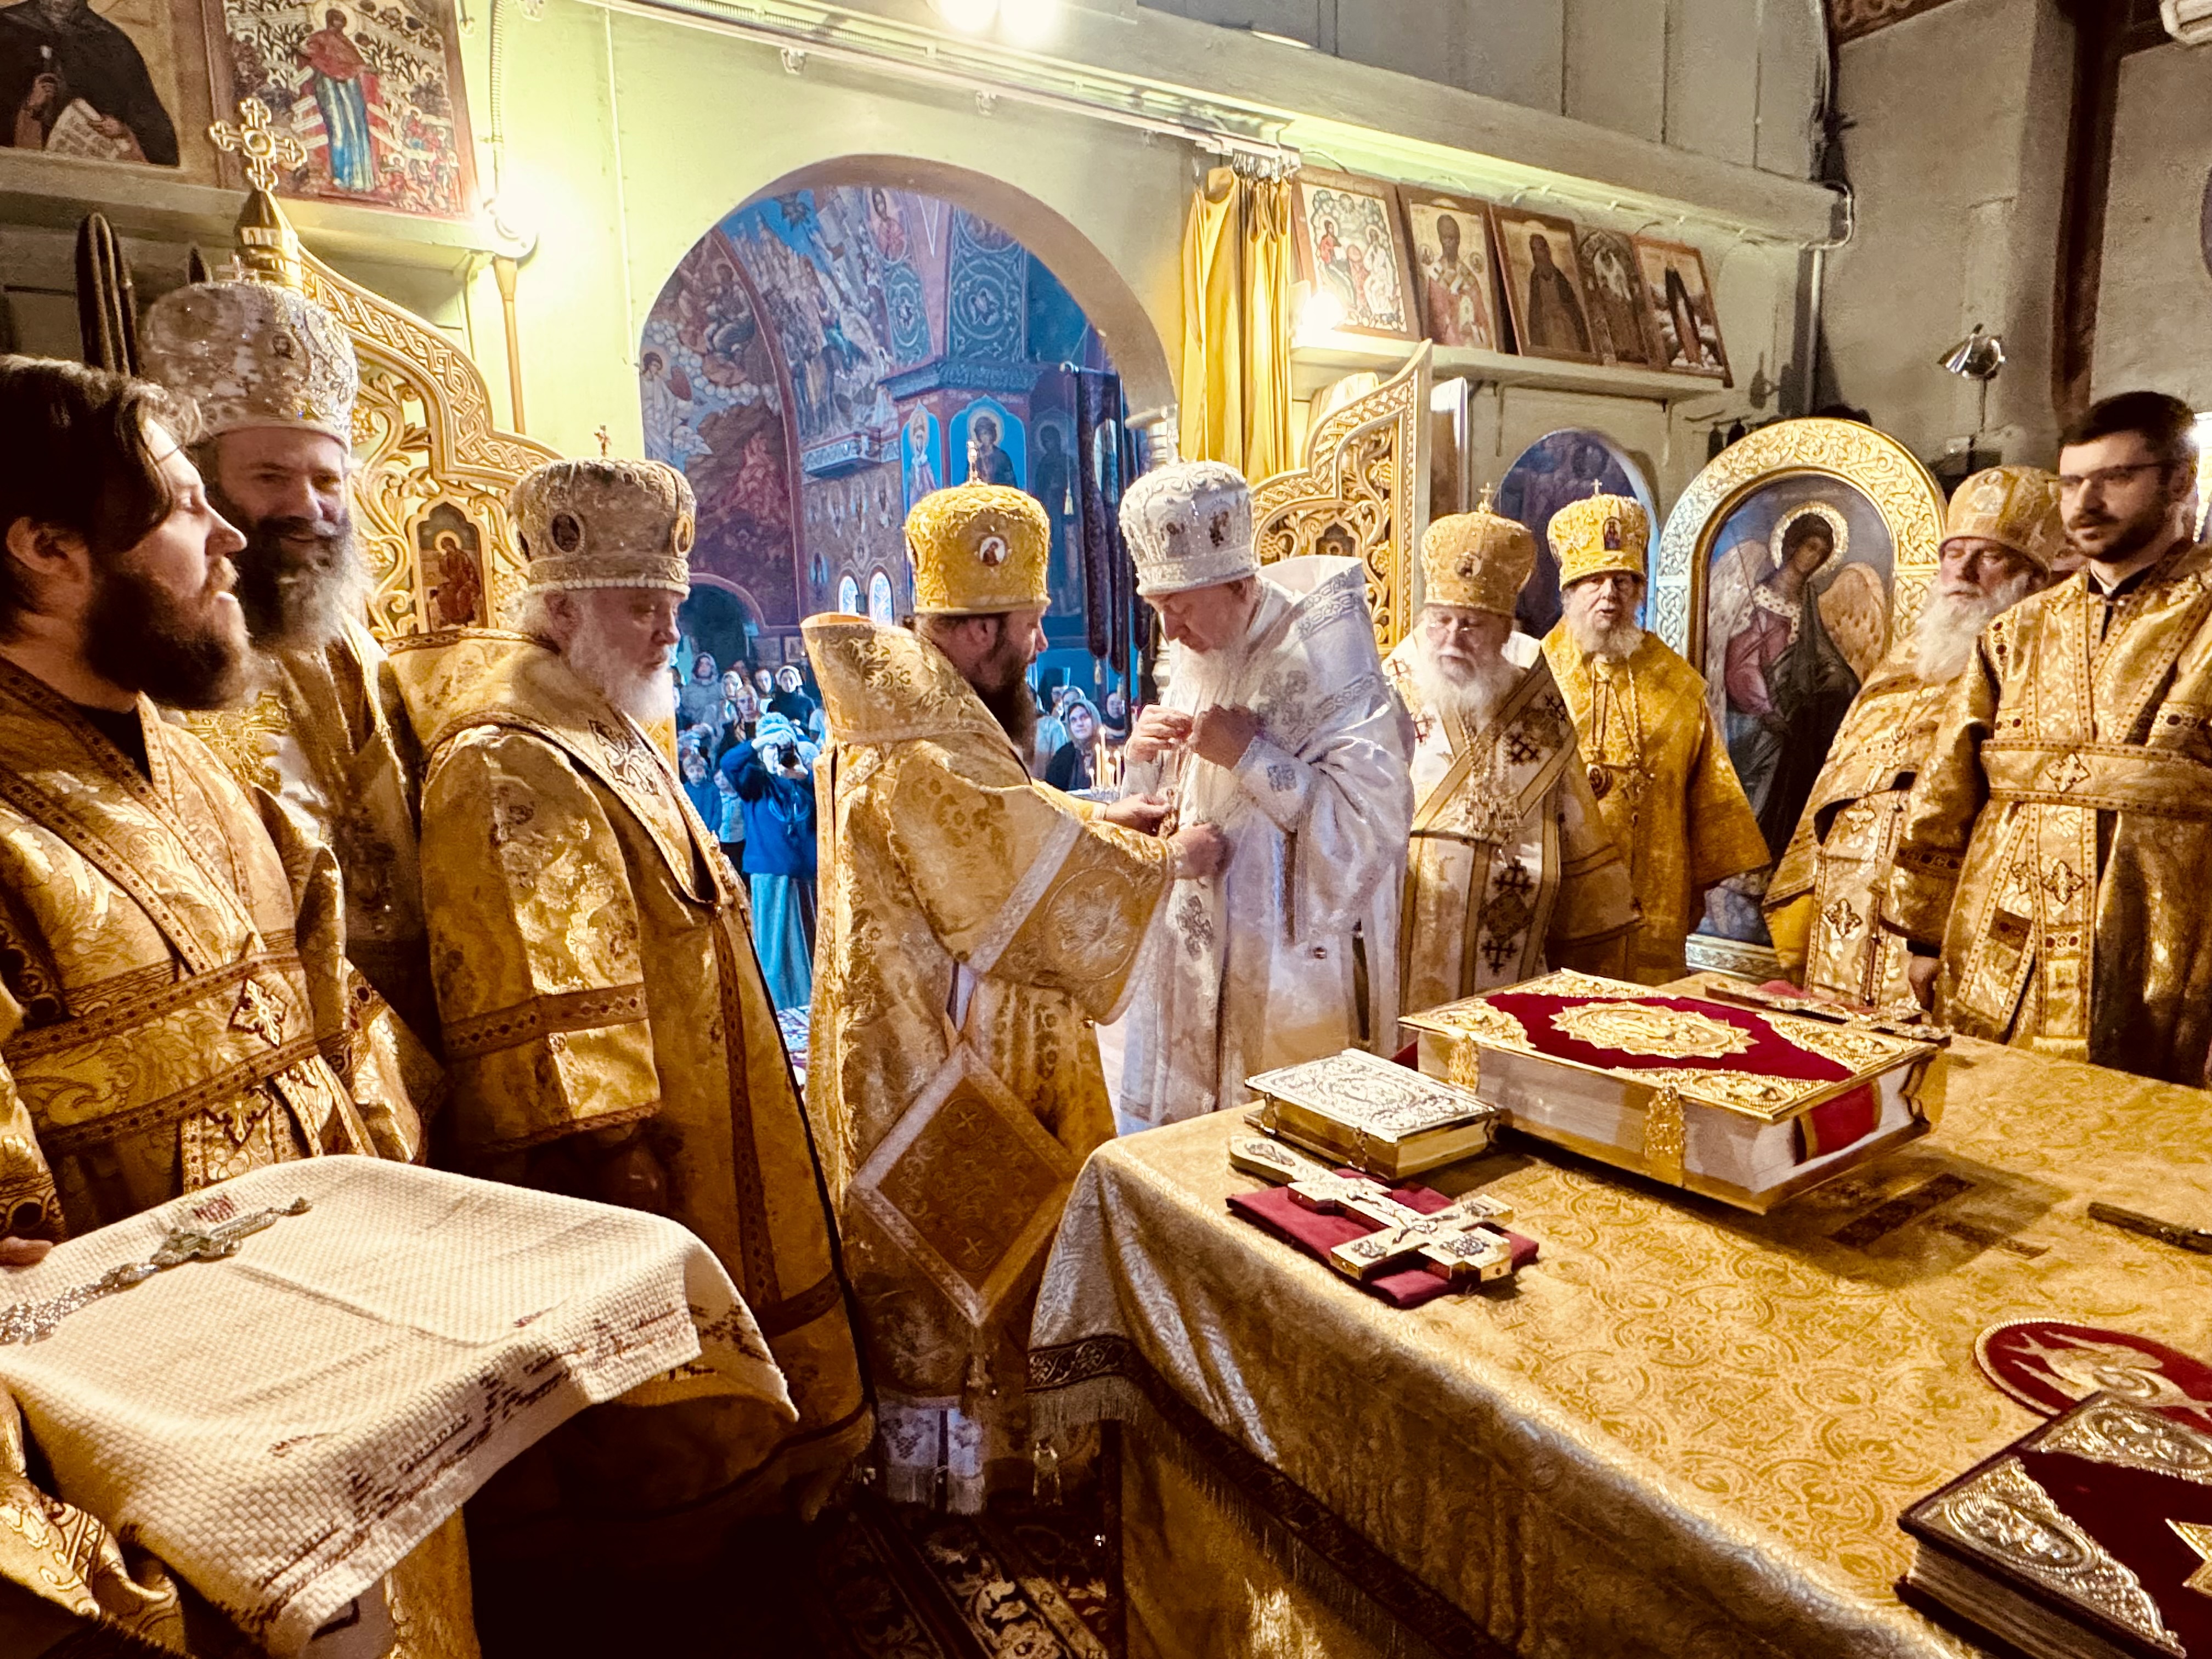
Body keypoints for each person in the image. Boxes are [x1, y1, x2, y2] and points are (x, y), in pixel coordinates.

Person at [0, 356, 469, 1651]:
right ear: (47, 550)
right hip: (163, 1438)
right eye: (181, 504)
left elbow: (342, 1027)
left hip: (352, 1349)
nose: (229, 536)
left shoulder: (204, 771)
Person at [397, 458, 867, 1578]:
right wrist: (617, 1147)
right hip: (638, 1140)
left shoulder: (603, 719)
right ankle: (682, 1552)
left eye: (671, 601)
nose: (668, 628)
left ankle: (763, 1481)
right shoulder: (508, 751)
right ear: (561, 608)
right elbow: (542, 975)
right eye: (640, 605)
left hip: (712, 1086)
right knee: (660, 1391)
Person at [805, 483, 1215, 1511]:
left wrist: (1094, 815)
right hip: (946, 1051)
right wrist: (1165, 859)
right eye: (1029, 623)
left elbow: (999, 820)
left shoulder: (910, 716)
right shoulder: (922, 744)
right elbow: (1000, 875)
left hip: (916, 1029)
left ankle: (956, 1460)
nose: (1038, 642)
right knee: (978, 1245)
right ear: (980, 628)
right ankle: (975, 1469)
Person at [138, 279, 439, 1043]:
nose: (310, 508)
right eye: (272, 478)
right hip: (259, 1027)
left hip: (412, 1023)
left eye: (327, 480)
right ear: (203, 490)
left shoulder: (350, 648)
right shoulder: (157, 660)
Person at [1888, 393, 2212, 1084]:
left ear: (2180, 482)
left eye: (2116, 478)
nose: (2085, 504)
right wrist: (1923, 935)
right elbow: (1949, 788)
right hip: (2002, 940)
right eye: (2072, 482)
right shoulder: (2018, 630)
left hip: (2165, 943)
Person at [1116, 460, 1414, 1129]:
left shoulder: (1326, 652)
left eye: (1180, 608)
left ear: (1239, 586)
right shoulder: (1202, 651)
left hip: (1282, 964)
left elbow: (1375, 824)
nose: (1170, 633)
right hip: (1192, 951)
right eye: (1159, 611)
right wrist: (1143, 762)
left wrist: (1251, 758)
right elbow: (1178, 798)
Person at [1764, 466, 2061, 1008]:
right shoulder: (1902, 664)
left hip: (1952, 919)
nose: (1963, 571)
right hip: (1849, 907)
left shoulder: (2045, 673)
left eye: (1990, 557)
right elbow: (1837, 782)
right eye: (1954, 553)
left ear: (2033, 579)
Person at [1384, 495, 1635, 1019]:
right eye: (1441, 621)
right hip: (1405, 928)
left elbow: (1575, 822)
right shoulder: (1389, 693)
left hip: (1510, 937)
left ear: (1505, 631)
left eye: (1471, 625)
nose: (1452, 639)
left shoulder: (1537, 705)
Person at [1541, 489, 1765, 984]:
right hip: (1562, 895)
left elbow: (1711, 795)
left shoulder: (1678, 685)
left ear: (1639, 591)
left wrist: (1701, 885)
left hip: (1655, 889)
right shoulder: (1535, 678)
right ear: (1570, 592)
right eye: (1594, 580)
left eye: (1623, 581)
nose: (1610, 594)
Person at [0, 0, 176, 163]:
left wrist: (124, 131)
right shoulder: (6, 27)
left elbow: (148, 120)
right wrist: (29, 108)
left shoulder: (111, 43)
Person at [725, 709, 817, 1011]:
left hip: (805, 874)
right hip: (769, 871)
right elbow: (729, 763)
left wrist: (803, 775)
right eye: (771, 749)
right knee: (775, 943)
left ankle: (810, 998)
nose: (778, 754)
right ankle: (777, 1002)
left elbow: (829, 797)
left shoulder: (805, 782)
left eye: (783, 748)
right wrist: (759, 742)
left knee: (808, 938)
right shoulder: (755, 782)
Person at [1522, 233, 1591, 355]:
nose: (1538, 254)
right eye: (1534, 250)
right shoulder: (1535, 278)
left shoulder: (1559, 276)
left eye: (1540, 248)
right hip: (1548, 328)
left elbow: (1572, 306)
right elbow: (1535, 311)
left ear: (1547, 250)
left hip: (1566, 326)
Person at [1044, 694, 1099, 791]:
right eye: (1074, 720)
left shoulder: (1109, 750)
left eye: (1084, 717)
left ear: (1094, 719)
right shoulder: (1064, 755)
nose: (1079, 724)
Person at [678, 647, 723, 726]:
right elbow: (682, 714)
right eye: (701, 664)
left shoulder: (721, 689)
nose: (704, 667)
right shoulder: (686, 691)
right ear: (696, 667)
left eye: (707, 664)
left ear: (712, 668)